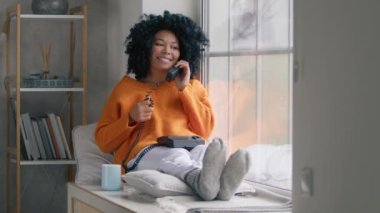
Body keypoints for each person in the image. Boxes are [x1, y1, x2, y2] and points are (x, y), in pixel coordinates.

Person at [95, 11, 250, 201]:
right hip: (143, 154)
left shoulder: (192, 87)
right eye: (159, 44)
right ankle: (202, 182)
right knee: (176, 156)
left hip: (189, 148)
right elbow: (103, 141)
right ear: (144, 47)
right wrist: (130, 118)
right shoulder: (126, 88)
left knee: (203, 151)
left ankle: (222, 188)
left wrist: (184, 89)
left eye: (174, 47)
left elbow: (204, 131)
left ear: (183, 53)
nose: (167, 51)